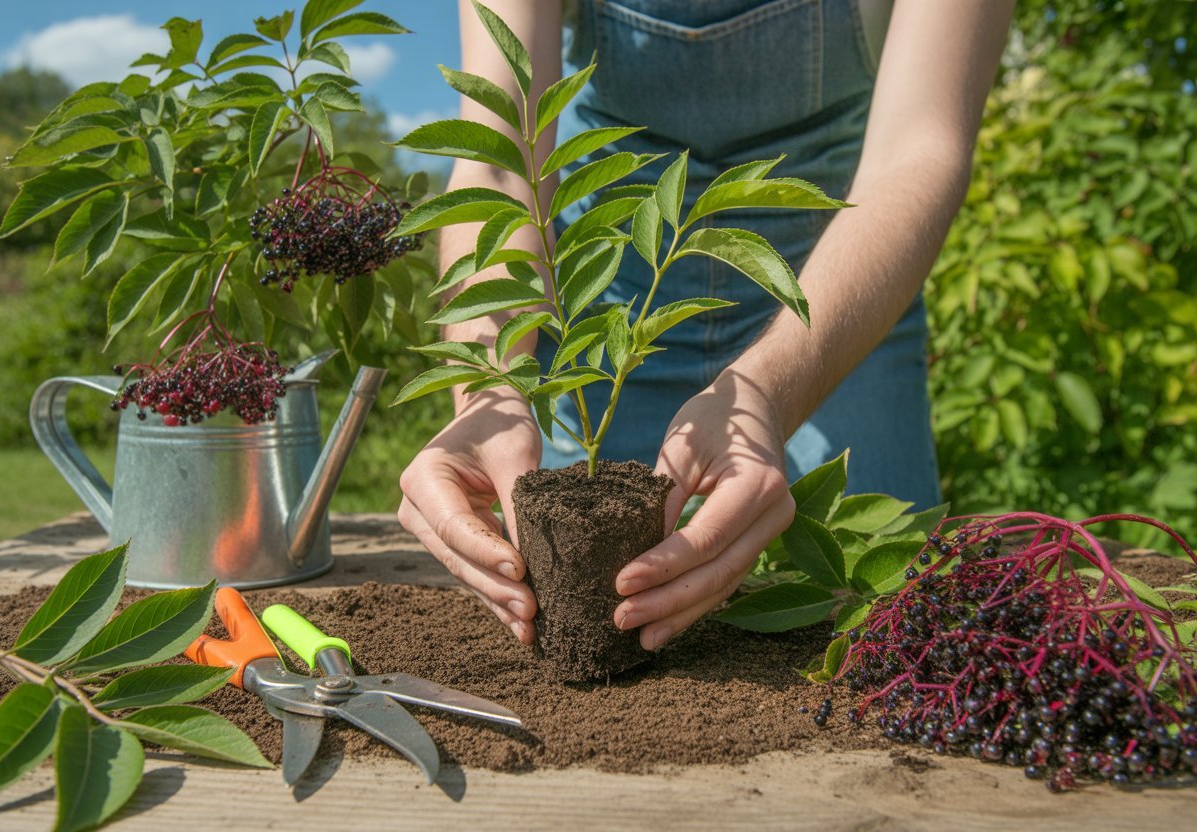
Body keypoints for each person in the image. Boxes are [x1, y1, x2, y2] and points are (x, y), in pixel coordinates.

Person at [398, 0, 1015, 652]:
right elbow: (501, 165)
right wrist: (489, 388)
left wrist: (768, 390)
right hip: (608, 322)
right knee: (571, 617)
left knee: (882, 628)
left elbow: (920, 151)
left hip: (840, 310)